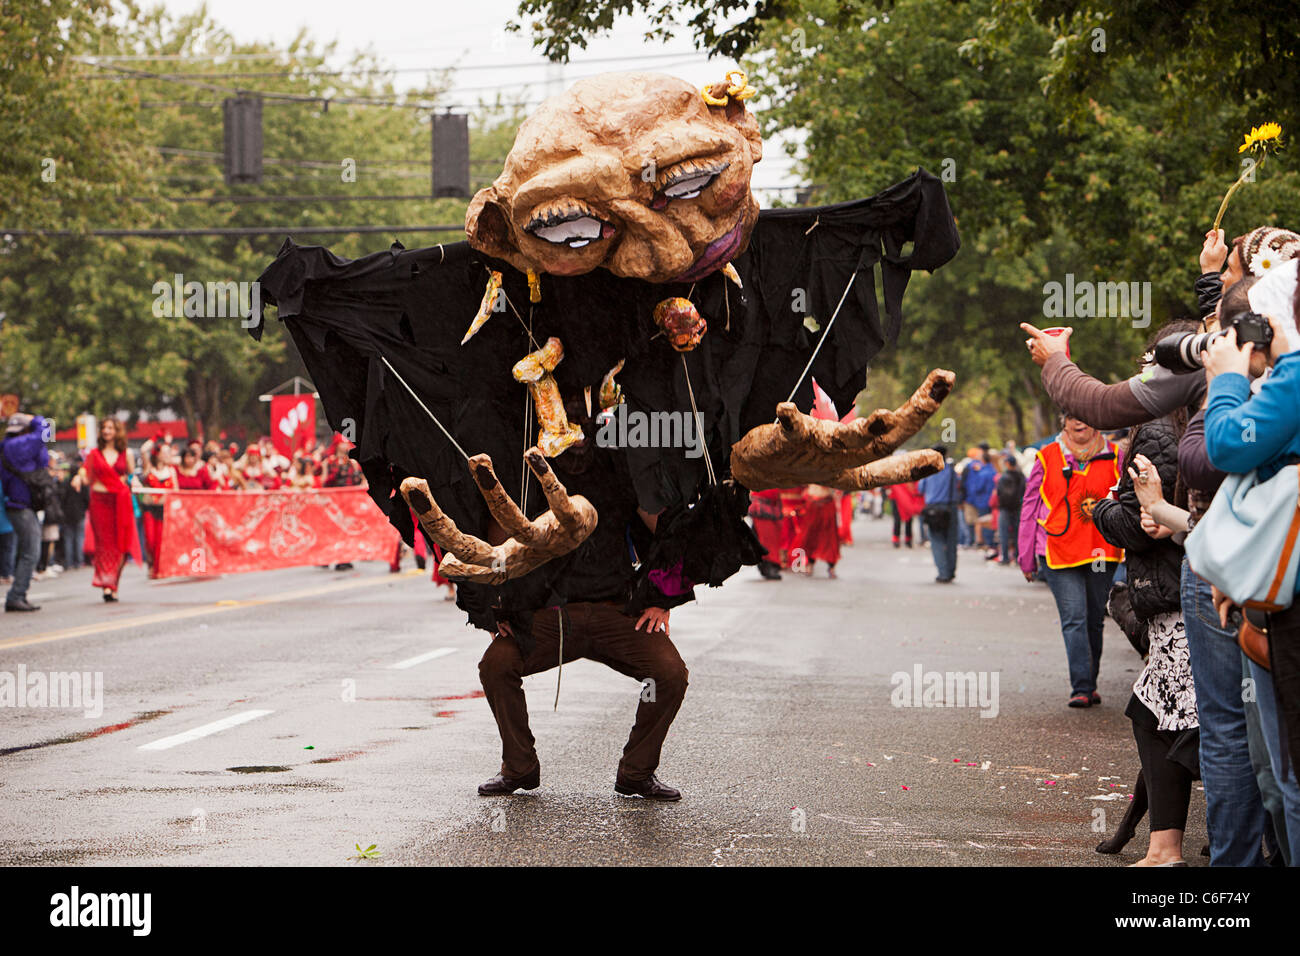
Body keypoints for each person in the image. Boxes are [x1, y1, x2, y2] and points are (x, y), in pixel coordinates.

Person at [1201, 257, 1300, 861]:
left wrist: (1226, 381)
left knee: (1287, 774)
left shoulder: (1292, 382)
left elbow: (1223, 446)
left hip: (1285, 606)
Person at [1092, 396, 1198, 866]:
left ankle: (1175, 849)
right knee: (1157, 716)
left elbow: (1140, 522)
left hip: (1182, 599)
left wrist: (1103, 509)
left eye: (1150, 364)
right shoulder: (1189, 423)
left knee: (1190, 729)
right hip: (1189, 592)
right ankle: (1165, 846)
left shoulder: (1157, 429)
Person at [1019, 414, 1122, 707]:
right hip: (1058, 552)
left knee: (1094, 621)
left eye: (1086, 416)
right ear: (1063, 422)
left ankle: (1090, 681)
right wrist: (1026, 556)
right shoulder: (1046, 456)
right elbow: (1029, 507)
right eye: (1072, 416)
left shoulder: (1116, 456)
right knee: (1074, 618)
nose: (1080, 422)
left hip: (1102, 552)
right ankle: (1082, 686)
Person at [74, 417, 139, 602]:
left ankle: (113, 584)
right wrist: (78, 478)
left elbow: (131, 475)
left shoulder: (126, 453)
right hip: (100, 503)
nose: (106, 431)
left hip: (120, 502)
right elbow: (86, 474)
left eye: (110, 428)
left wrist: (133, 481)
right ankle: (105, 584)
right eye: (104, 428)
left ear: (117, 431)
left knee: (121, 545)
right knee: (103, 545)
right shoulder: (94, 454)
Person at [1, 413, 49, 612]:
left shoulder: (7, 445)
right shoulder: (18, 444)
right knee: (31, 552)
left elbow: (43, 453)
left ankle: (19, 594)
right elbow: (46, 431)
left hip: (21, 505)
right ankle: (16, 595)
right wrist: (36, 418)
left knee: (29, 551)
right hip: (20, 506)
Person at [918, 443, 958, 583]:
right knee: (951, 541)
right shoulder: (951, 470)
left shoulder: (928, 471)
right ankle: (951, 571)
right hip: (950, 508)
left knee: (936, 541)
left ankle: (943, 573)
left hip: (934, 509)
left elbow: (921, 489)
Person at [140, 444, 178, 577]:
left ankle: (158, 568)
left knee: (160, 540)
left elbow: (176, 491)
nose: (168, 455)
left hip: (164, 509)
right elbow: (143, 450)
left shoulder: (171, 471)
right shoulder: (149, 468)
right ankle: (151, 563)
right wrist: (156, 438)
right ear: (157, 453)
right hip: (149, 507)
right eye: (165, 452)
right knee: (150, 539)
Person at [994, 452, 1025, 565]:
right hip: (1017, 507)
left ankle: (1005, 557)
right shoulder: (1021, 476)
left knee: (1004, 533)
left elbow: (999, 493)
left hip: (1005, 508)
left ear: (1007, 464)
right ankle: (1017, 556)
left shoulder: (1004, 477)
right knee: (1017, 533)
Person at [59, 457, 89, 569]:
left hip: (68, 514)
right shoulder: (82, 483)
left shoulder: (65, 483)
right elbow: (87, 499)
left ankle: (69, 562)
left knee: (69, 538)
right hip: (79, 513)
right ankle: (79, 561)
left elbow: (62, 498)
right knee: (79, 538)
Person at [887, 478, 923, 549]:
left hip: (906, 492)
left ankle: (906, 538)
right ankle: (899, 538)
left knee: (907, 516)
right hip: (898, 493)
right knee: (898, 518)